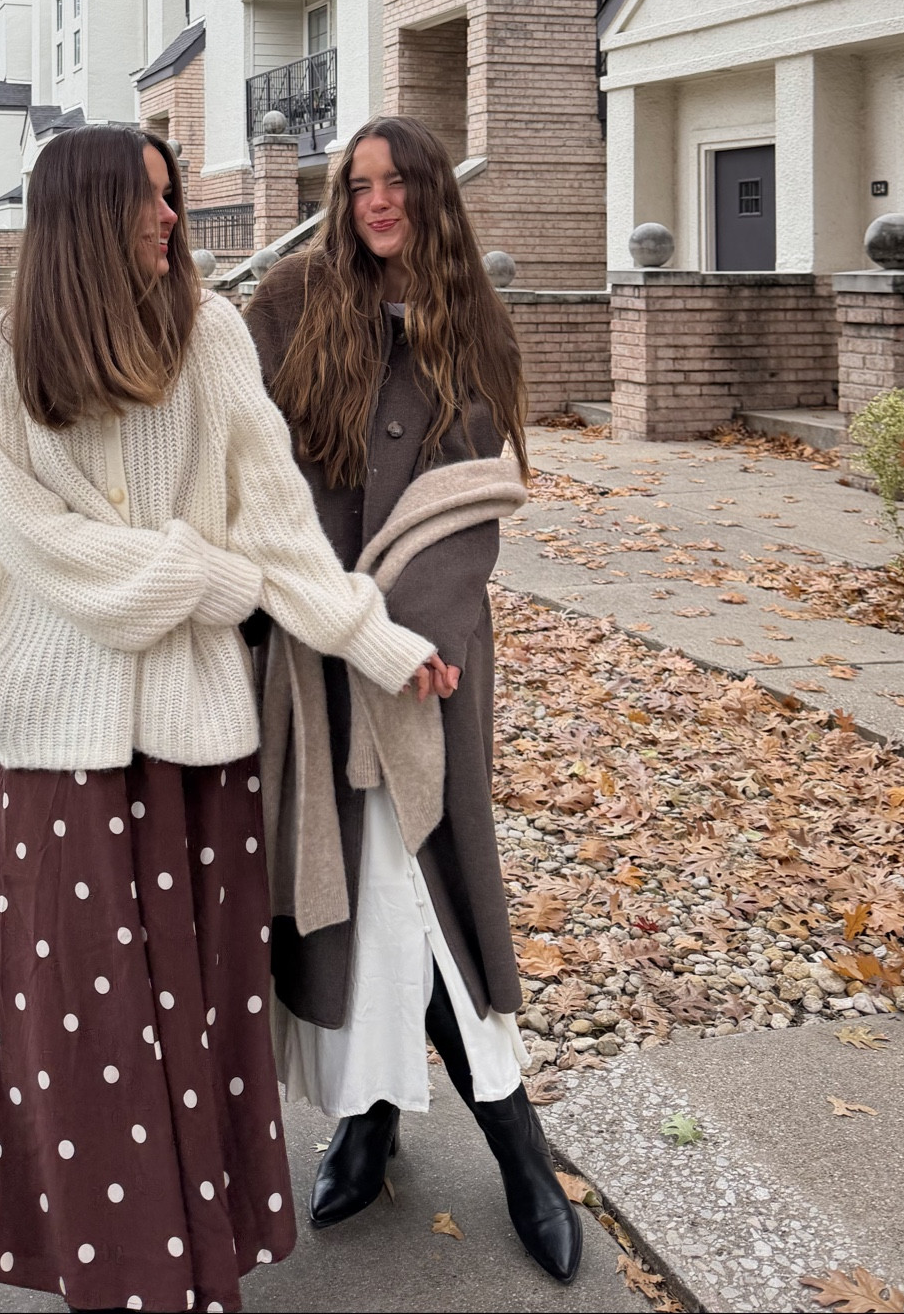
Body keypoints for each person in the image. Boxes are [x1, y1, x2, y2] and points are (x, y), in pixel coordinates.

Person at [0, 124, 440, 1314]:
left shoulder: (211, 336)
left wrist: (377, 636)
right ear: (86, 217)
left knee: (197, 1018)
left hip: (195, 751)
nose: (174, 220)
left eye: (172, 198)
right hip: (60, 753)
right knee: (85, 1036)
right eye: (152, 203)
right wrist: (206, 582)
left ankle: (192, 1267)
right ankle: (121, 1276)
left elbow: (274, 521)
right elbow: (38, 543)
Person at [244, 113, 583, 1284]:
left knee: (432, 892)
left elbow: (475, 495)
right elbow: (247, 461)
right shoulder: (288, 301)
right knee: (353, 898)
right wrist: (313, 612)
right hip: (315, 653)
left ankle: (519, 1145)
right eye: (358, 183)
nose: (376, 200)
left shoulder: (469, 317)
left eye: (395, 182)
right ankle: (369, 1117)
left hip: (426, 657)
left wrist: (407, 634)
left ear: (431, 193)